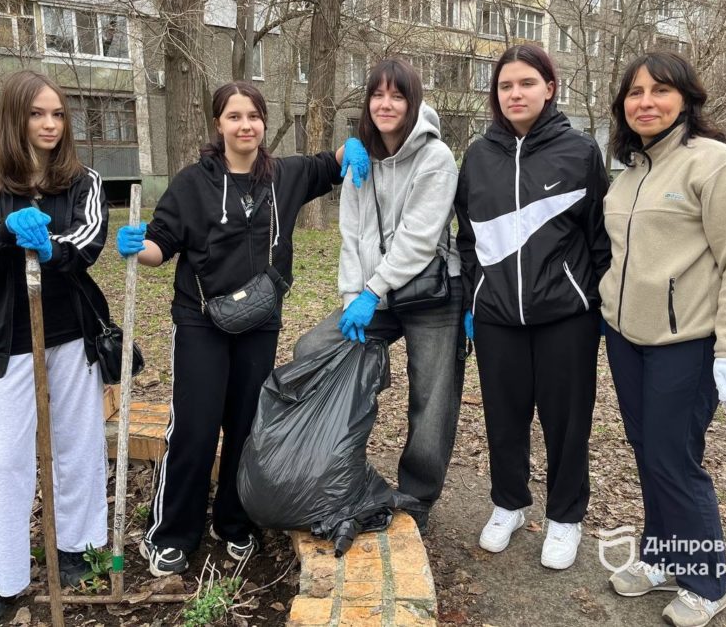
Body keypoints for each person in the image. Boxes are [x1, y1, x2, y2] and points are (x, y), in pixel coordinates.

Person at [115, 81, 370, 577]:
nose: (245, 125)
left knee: (246, 426)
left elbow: (331, 162)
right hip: (201, 320)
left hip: (259, 321)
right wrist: (137, 246)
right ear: (219, 124)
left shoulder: (284, 177)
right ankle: (170, 533)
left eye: (253, 116)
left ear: (263, 122)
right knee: (195, 427)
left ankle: (233, 522)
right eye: (234, 116)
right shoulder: (193, 183)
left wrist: (354, 144)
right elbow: (161, 246)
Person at [599, 52, 726, 627]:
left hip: (688, 343)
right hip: (627, 339)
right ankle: (662, 555)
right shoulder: (628, 175)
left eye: (660, 90)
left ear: (686, 99)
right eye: (635, 92)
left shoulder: (715, 164)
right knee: (649, 452)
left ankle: (708, 580)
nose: (645, 102)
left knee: (673, 458)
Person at [0, 70, 109, 627]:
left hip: (71, 329)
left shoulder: (83, 180)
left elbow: (88, 241)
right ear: (13, 118)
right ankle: (4, 576)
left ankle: (79, 549)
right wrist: (7, 233)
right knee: (5, 457)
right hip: (8, 336)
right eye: (37, 114)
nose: (50, 124)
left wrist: (49, 249)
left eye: (58, 114)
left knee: (79, 443)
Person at [293, 58, 465, 534]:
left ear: (413, 102)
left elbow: (419, 239)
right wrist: (354, 295)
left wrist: (372, 291)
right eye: (377, 94)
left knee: (432, 398)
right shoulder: (360, 159)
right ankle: (337, 470)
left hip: (432, 292)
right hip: (375, 291)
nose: (386, 104)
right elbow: (352, 233)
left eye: (397, 95)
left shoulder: (436, 157)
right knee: (315, 347)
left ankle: (417, 497)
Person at [455, 44, 610, 567]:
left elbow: (600, 236)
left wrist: (598, 303)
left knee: (567, 423)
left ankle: (565, 517)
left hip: (566, 316)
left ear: (549, 87)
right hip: (497, 317)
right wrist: (474, 297)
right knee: (504, 417)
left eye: (526, 83)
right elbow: (467, 236)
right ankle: (509, 503)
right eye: (505, 85)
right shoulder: (478, 156)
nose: (515, 93)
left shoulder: (580, 152)